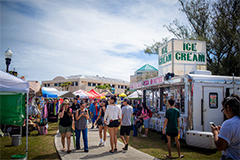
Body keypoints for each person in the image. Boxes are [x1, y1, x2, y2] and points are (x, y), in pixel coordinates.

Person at [211, 94, 240, 160]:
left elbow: (220, 146)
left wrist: (215, 133)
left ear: (228, 107)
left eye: (223, 109)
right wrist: (223, 132)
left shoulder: (229, 123)